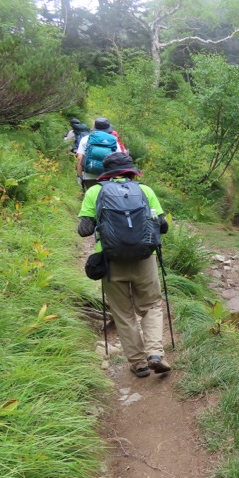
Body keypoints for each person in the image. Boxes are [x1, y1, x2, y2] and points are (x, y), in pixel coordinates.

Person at [77, 152, 172, 378]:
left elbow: (84, 230)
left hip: (111, 261)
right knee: (151, 306)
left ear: (106, 173)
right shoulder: (145, 190)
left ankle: (139, 364)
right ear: (131, 172)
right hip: (144, 259)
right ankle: (155, 353)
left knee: (123, 313)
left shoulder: (95, 192)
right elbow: (163, 226)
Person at [76, 117, 126, 191]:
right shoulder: (113, 139)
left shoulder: (86, 139)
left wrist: (79, 176)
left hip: (89, 176)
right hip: (107, 177)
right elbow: (118, 159)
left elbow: (80, 158)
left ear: (95, 127)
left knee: (91, 195)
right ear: (108, 128)